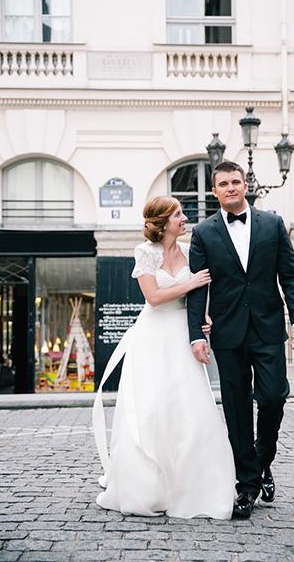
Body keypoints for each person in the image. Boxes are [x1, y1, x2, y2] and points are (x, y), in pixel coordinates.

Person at [92, 196, 235, 519]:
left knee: (188, 408)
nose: (185, 219)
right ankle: (148, 486)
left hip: (182, 335)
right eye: (178, 215)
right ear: (163, 222)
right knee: (152, 408)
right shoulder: (145, 253)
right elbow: (154, 297)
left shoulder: (189, 252)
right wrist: (191, 283)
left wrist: (204, 317)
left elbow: (196, 297)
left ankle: (192, 485)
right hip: (154, 336)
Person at [186, 161, 294, 519]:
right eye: (222, 184)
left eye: (235, 182)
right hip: (227, 332)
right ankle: (247, 485)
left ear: (244, 185)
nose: (230, 188)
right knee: (237, 409)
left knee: (273, 396)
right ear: (214, 191)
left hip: (268, 328)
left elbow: (291, 275)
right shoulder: (203, 233)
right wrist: (195, 334)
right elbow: (197, 287)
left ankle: (262, 457)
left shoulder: (272, 224)